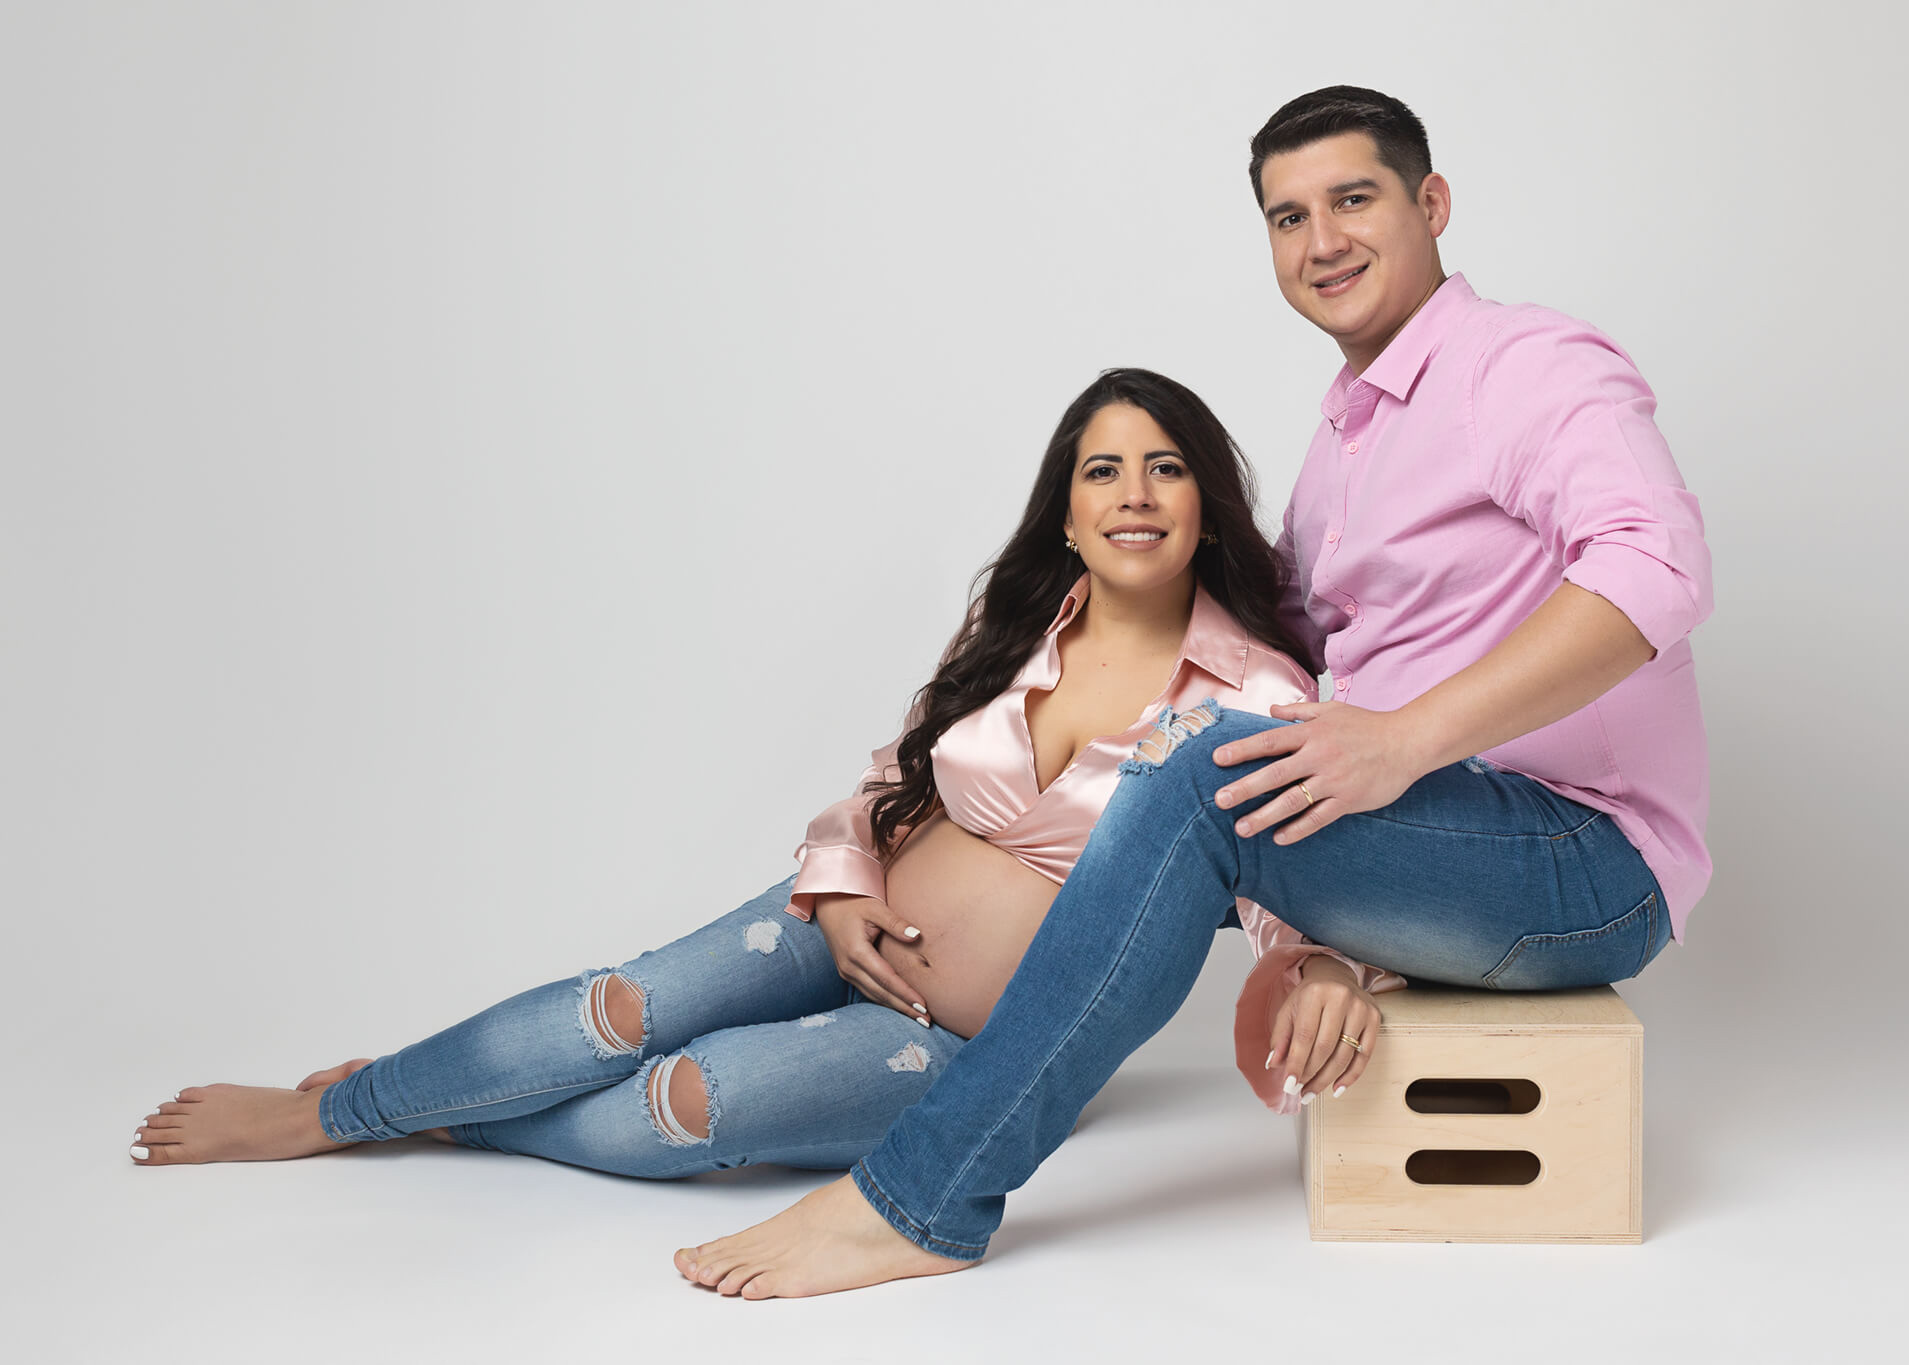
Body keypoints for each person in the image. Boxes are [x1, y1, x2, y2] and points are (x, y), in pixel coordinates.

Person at [677, 85, 1713, 1299]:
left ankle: (919, 1194)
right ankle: (905, 1024)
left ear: (1430, 205)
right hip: (1442, 838)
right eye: (1286, 217)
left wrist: (1400, 742)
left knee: (1192, 784)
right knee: (1155, 762)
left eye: (1352, 200)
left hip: (1581, 862)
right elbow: (1294, 663)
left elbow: (1656, 565)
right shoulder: (1347, 441)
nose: (1320, 240)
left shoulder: (1524, 365)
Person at [127, 369, 1399, 1193]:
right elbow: (891, 777)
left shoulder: (1261, 696)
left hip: (966, 1042)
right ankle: (340, 1109)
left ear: (1204, 502)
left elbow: (1287, 883)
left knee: (687, 1105)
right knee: (617, 1011)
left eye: (1164, 466)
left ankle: (440, 1116)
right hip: (833, 925)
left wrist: (1337, 968)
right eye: (1102, 469)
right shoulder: (1021, 631)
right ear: (1063, 513)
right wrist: (841, 888)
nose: (1134, 493)